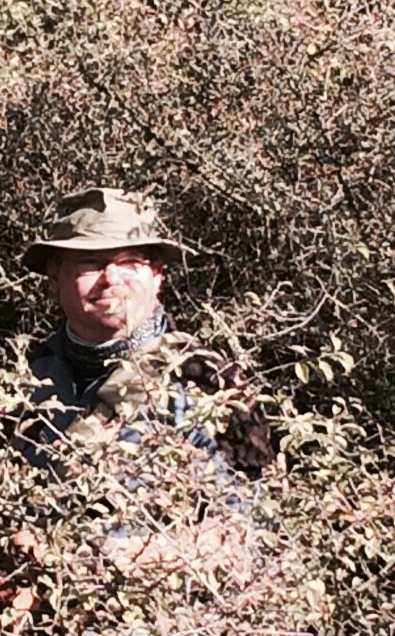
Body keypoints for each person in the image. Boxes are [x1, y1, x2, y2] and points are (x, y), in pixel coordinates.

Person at [16, 186, 275, 475]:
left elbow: (255, 496)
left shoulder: (211, 381)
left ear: (157, 275)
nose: (111, 279)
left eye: (129, 262)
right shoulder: (27, 377)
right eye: (90, 262)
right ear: (54, 277)